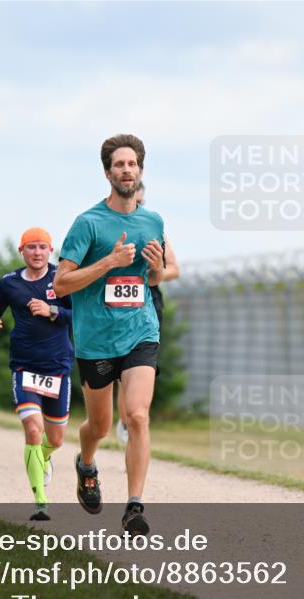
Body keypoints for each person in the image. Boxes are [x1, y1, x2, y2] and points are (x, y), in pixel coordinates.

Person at [54, 133, 165, 536]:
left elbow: (153, 276)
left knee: (136, 415)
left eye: (132, 164)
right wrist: (110, 261)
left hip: (140, 330)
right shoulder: (88, 223)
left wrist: (153, 270)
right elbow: (61, 284)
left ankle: (134, 506)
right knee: (99, 426)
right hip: (96, 340)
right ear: (107, 173)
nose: (126, 170)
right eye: (119, 164)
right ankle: (86, 464)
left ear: (140, 170)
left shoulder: (153, 221)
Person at [0, 228, 73, 521]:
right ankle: (41, 501)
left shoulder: (62, 278)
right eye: (31, 247)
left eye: (42, 247)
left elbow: (82, 315)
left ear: (51, 251)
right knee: (33, 430)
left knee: (56, 439)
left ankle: (44, 458)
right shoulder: (9, 282)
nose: (37, 252)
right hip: (24, 367)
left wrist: (52, 311)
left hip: (58, 366)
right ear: (21, 251)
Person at [115, 184, 180, 446]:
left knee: (142, 364)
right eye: (134, 201)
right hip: (116, 302)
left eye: (142, 202)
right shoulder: (111, 228)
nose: (137, 206)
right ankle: (126, 419)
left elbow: (174, 268)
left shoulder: (154, 230)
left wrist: (155, 271)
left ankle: (136, 420)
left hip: (149, 301)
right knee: (120, 367)